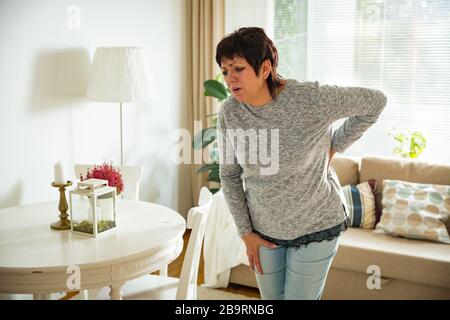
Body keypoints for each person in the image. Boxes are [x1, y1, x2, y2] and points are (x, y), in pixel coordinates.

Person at [215, 27, 387, 300]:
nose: (230, 79)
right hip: (264, 231)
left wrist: (334, 145)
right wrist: (246, 233)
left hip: (317, 223)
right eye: (225, 71)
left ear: (265, 68)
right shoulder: (230, 112)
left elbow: (375, 102)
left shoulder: (310, 98)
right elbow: (230, 175)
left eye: (238, 69)